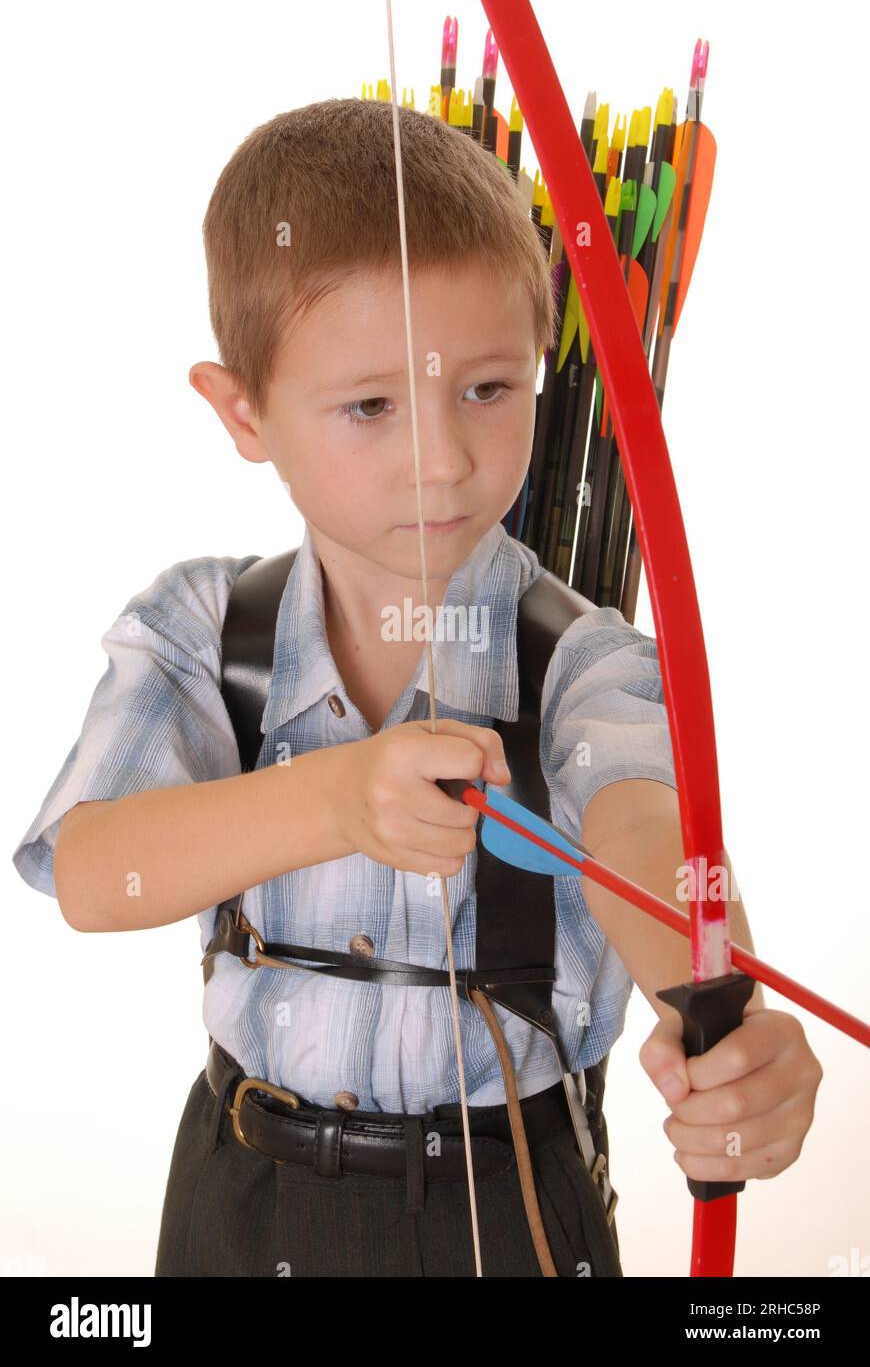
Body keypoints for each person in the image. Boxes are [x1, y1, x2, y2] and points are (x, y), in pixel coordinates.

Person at [12, 97, 821, 1277]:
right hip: (243, 1204)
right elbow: (93, 871)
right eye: (371, 406)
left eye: (489, 388)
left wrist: (723, 1020)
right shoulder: (204, 630)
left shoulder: (583, 656)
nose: (442, 456)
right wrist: (338, 800)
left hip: (505, 1208)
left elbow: (646, 827)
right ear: (243, 410)